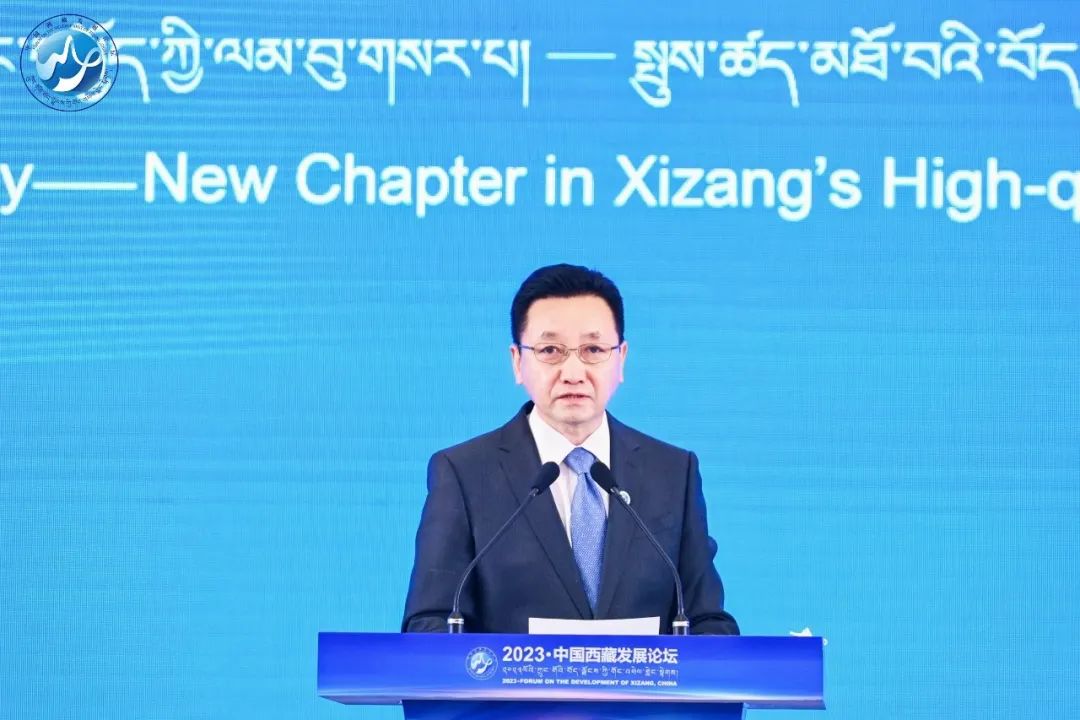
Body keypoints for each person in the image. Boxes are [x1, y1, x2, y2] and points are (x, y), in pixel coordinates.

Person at [402, 264, 739, 635]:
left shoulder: (673, 472)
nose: (574, 373)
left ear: (621, 358)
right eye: (550, 350)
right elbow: (430, 622)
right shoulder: (464, 473)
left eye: (593, 349)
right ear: (517, 361)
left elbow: (706, 619)